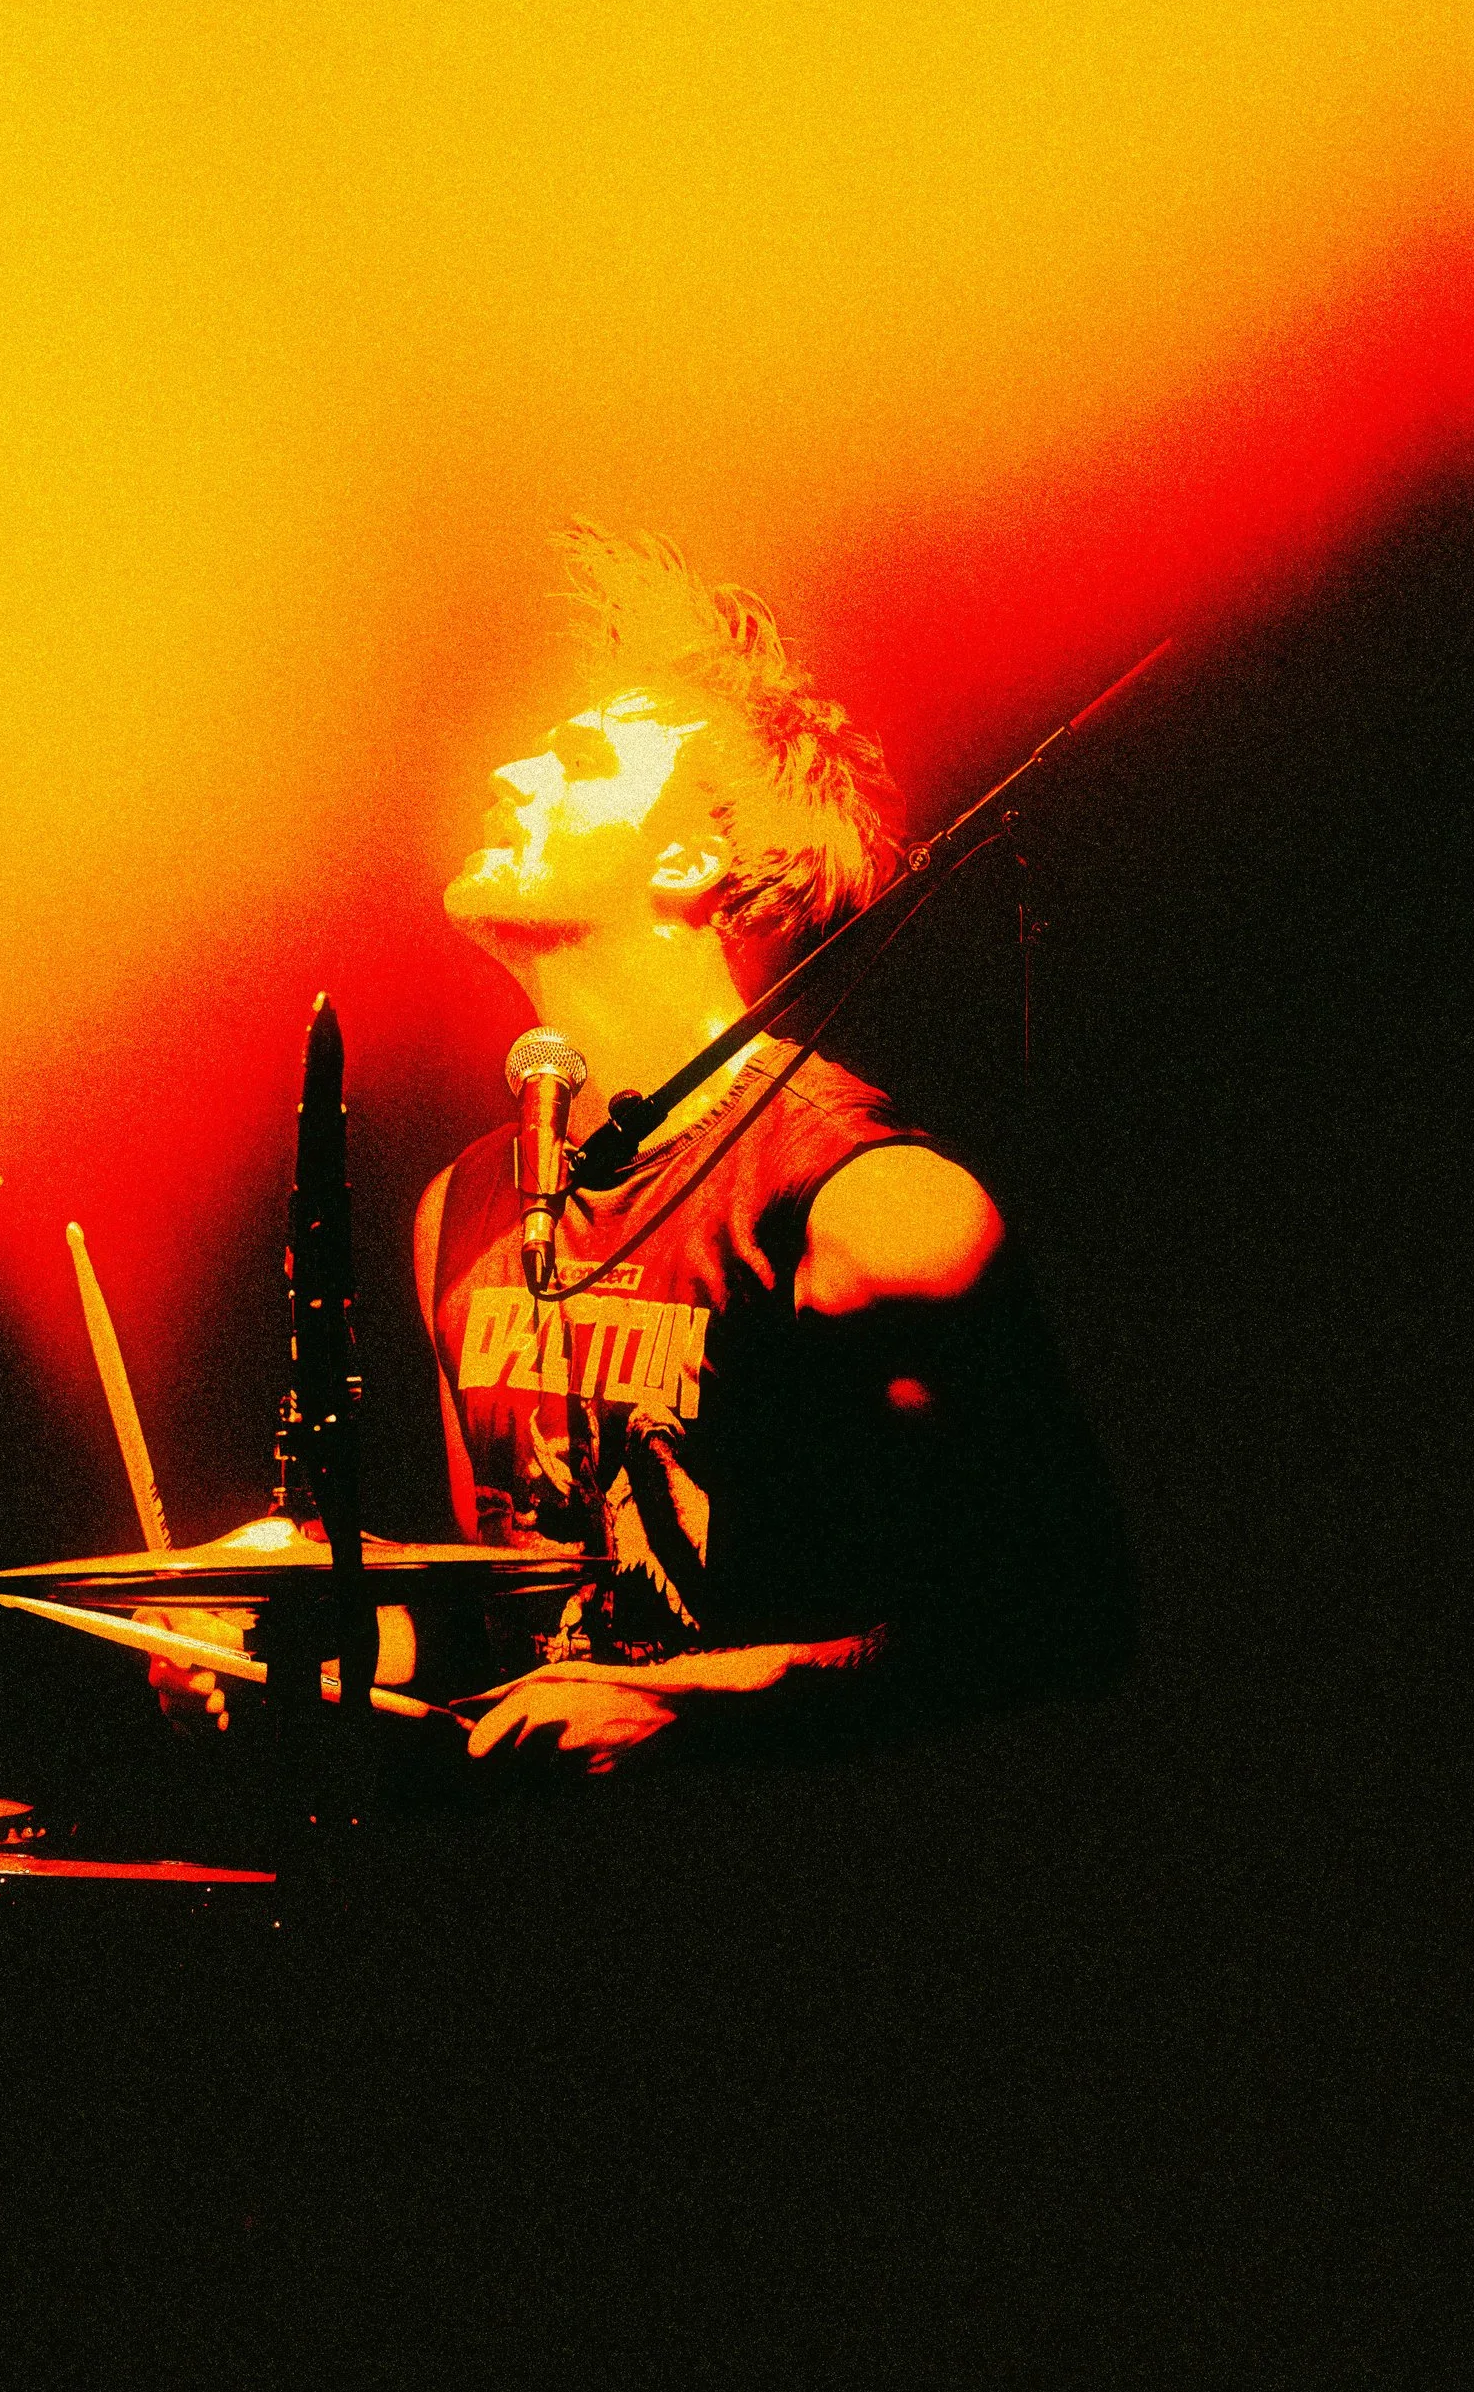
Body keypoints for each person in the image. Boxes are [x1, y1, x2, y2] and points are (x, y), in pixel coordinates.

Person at [418, 523, 1132, 1771]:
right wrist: (286, 1639)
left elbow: (1055, 1624)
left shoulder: (874, 1206)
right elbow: (491, 1613)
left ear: (690, 859)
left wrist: (688, 1708)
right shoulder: (467, 1201)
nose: (508, 775)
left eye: (578, 762)